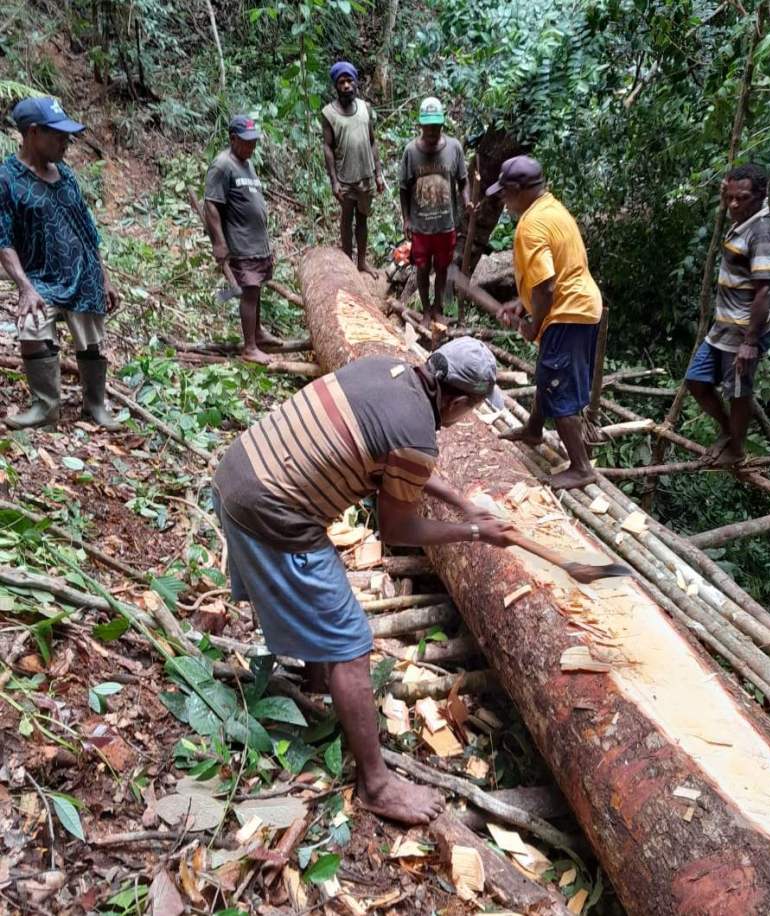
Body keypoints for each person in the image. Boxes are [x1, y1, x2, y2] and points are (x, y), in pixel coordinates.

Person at [212, 339, 517, 825]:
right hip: (270, 509)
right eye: (473, 410)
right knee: (353, 643)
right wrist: (475, 532)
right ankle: (376, 785)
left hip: (240, 470)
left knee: (326, 606)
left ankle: (319, 681)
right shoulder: (418, 434)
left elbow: (397, 461)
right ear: (457, 403)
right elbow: (398, 529)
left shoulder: (388, 369)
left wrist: (462, 502)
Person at [0, 98, 121, 431]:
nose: (66, 142)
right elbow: (3, 239)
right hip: (41, 278)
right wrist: (24, 287)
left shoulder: (65, 176)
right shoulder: (7, 178)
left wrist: (104, 278)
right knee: (32, 326)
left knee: (92, 341)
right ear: (33, 132)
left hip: (83, 275)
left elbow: (87, 230)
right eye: (58, 135)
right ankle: (45, 407)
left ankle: (95, 405)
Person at [489, 156, 602, 490]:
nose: (503, 201)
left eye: (505, 194)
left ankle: (581, 467)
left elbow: (546, 286)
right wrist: (521, 305)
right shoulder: (551, 208)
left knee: (559, 387)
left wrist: (534, 325)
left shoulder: (530, 226)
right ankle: (534, 428)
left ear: (519, 190)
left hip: (569, 311)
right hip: (578, 306)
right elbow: (549, 276)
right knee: (548, 373)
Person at [686, 163, 770, 466]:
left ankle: (737, 450)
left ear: (761, 196)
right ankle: (728, 431)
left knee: (738, 392)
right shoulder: (742, 218)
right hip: (722, 328)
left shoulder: (762, 233)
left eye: (742, 198)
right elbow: (733, 195)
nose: (733, 204)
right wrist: (728, 190)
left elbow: (764, 291)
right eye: (729, 198)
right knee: (696, 381)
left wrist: (750, 342)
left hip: (743, 330)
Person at [204, 115, 279, 366]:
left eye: (254, 141)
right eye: (246, 142)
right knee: (248, 291)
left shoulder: (246, 163)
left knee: (256, 289)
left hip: (257, 242)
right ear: (233, 138)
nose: (252, 146)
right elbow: (212, 205)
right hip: (240, 242)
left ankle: (257, 332)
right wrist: (219, 242)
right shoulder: (222, 165)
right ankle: (249, 347)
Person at [399, 98, 471, 327]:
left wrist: (467, 201)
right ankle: (426, 310)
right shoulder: (411, 151)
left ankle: (438, 307)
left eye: (435, 126)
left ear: (442, 124)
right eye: (427, 126)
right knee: (422, 267)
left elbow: (463, 181)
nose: (431, 130)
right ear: (420, 125)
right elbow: (403, 187)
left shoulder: (454, 148)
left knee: (441, 267)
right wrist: (407, 219)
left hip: (445, 224)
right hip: (421, 226)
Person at [322, 62, 384, 279]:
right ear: (336, 86)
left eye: (350, 81)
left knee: (363, 219)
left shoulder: (365, 108)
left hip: (366, 176)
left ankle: (362, 262)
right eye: (342, 82)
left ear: (356, 83)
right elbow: (328, 148)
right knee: (346, 219)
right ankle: (347, 262)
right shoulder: (329, 113)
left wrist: (378, 173)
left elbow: (373, 141)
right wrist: (334, 181)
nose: (347, 85)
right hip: (346, 178)